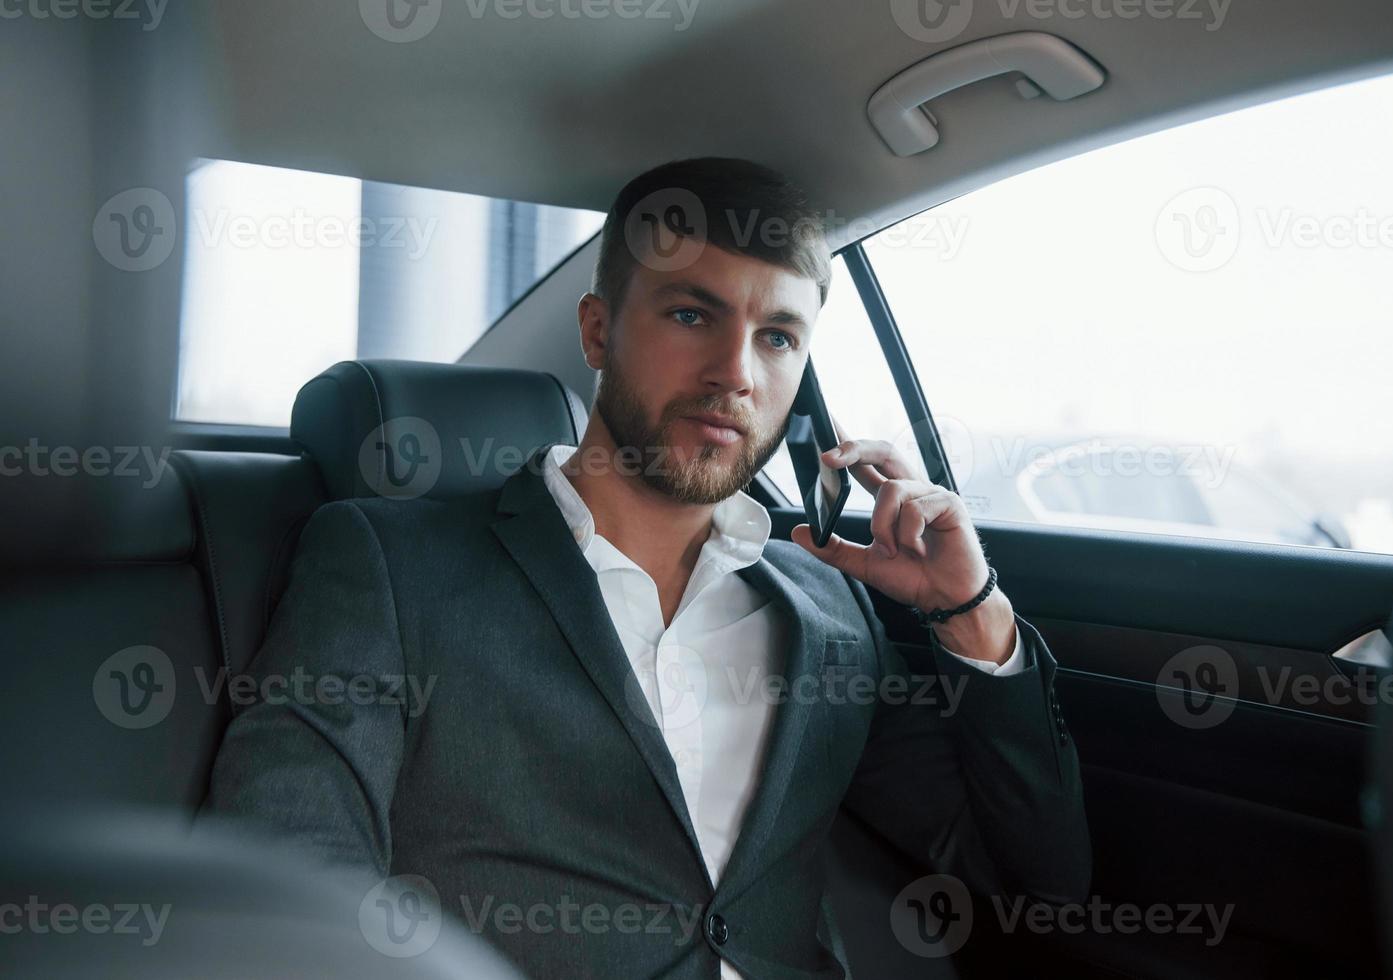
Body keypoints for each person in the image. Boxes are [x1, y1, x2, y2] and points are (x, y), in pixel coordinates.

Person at [201, 156, 1090, 979]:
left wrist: (971, 613)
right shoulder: (390, 565)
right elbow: (288, 885)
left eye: (778, 337)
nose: (735, 374)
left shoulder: (829, 608)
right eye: (692, 314)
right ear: (596, 330)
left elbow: (1038, 883)